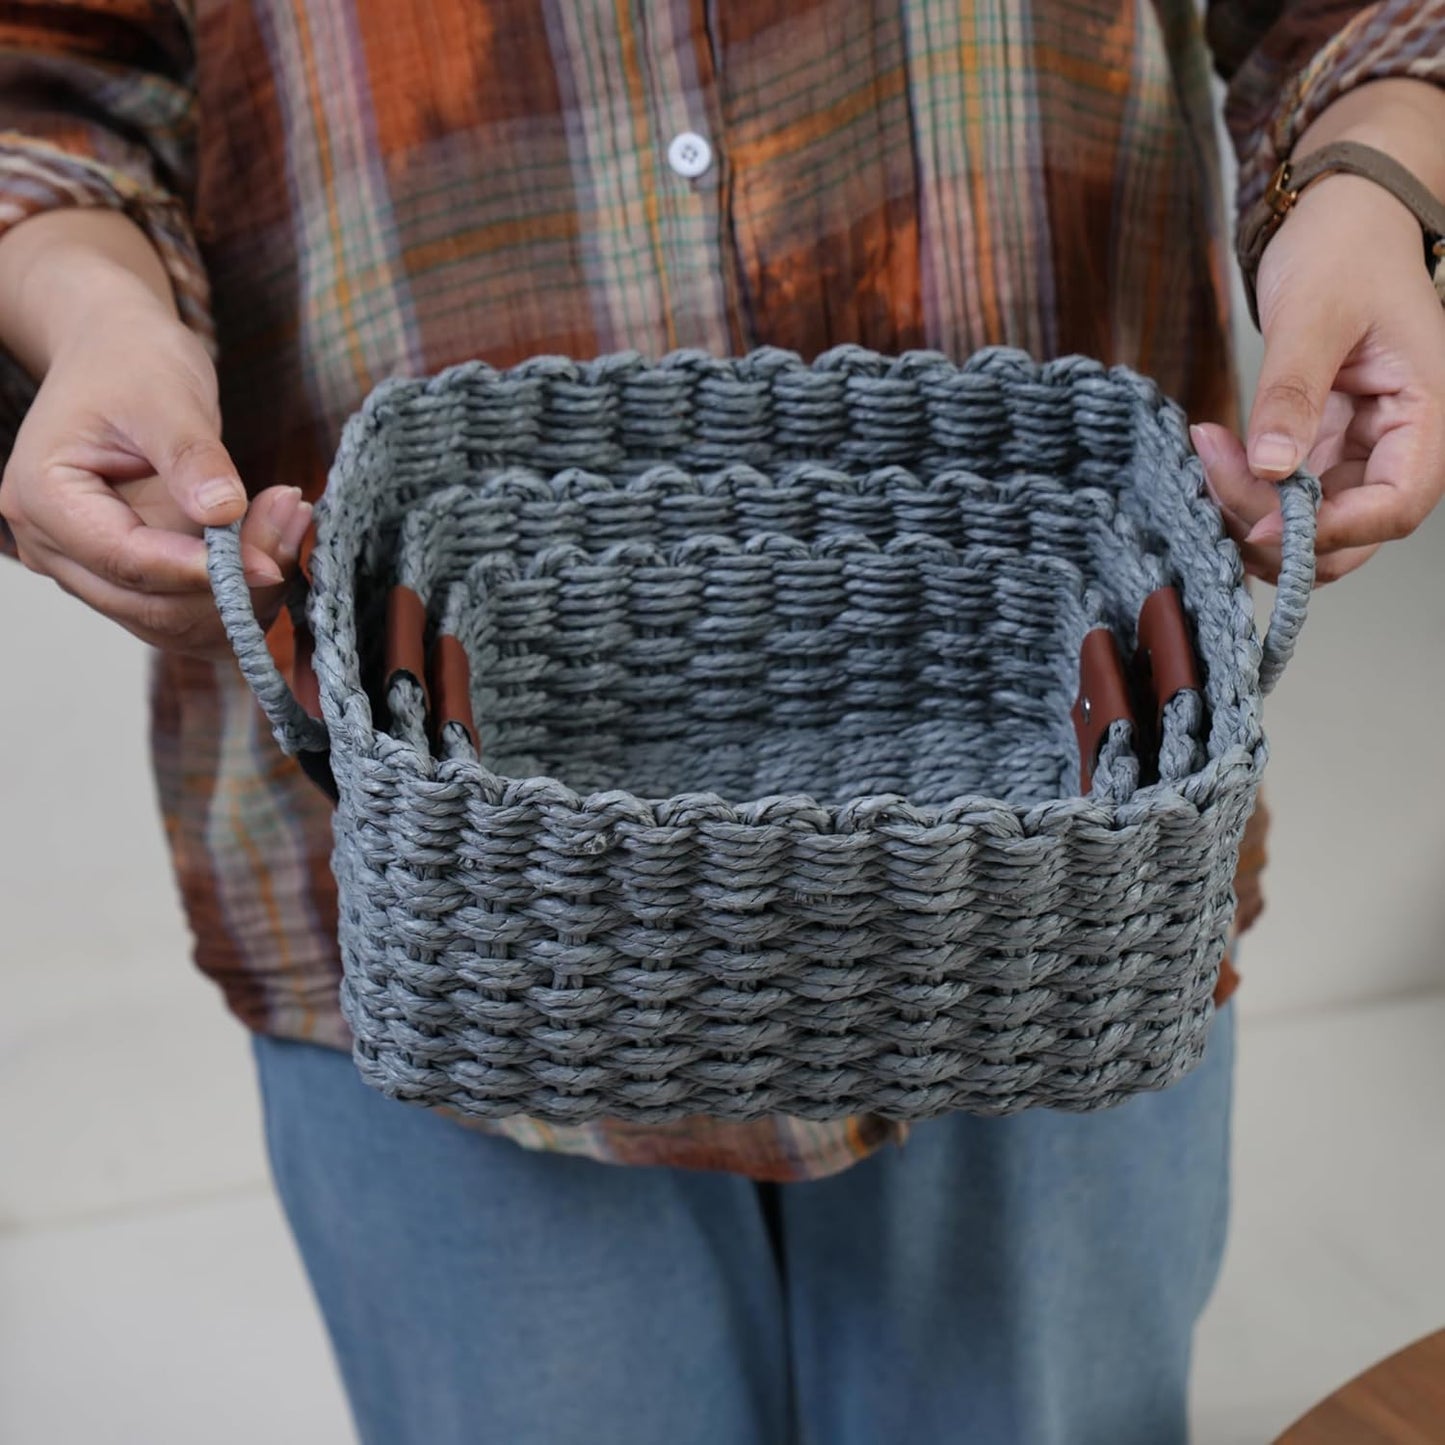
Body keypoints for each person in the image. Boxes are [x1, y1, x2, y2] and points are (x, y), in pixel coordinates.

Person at [1, 2, 1441, 1442]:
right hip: (447, 907)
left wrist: (1373, 192)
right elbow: (46, 77)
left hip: (1066, 909)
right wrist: (95, 316)